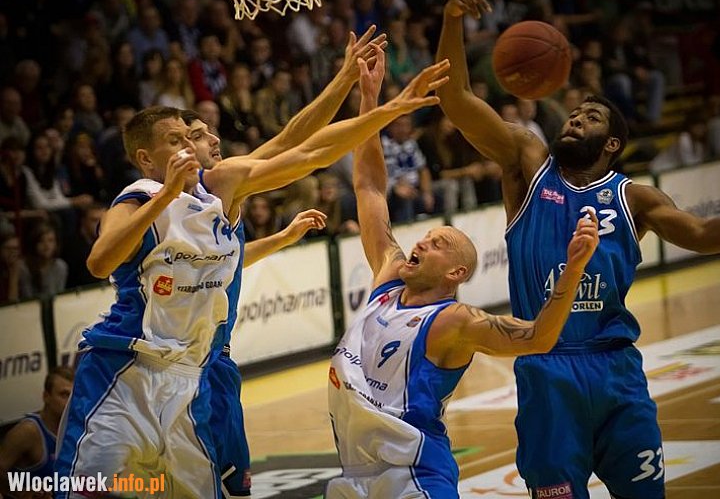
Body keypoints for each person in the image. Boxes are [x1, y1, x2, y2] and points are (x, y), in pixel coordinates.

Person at [55, 47, 450, 498]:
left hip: (194, 375)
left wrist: (382, 106)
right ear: (147, 159)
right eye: (179, 139)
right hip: (127, 367)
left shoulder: (221, 185)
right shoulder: (139, 197)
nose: (193, 145)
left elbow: (306, 150)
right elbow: (99, 262)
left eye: (190, 137)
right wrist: (165, 196)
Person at [435, 0, 720, 498]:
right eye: (573, 114)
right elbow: (455, 99)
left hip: (616, 369)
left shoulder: (635, 198)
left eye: (590, 118)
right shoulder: (527, 164)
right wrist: (452, 20)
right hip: (546, 368)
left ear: (611, 143)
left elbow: (700, 231)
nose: (575, 120)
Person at [325, 43, 600, 499]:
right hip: (353, 474)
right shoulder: (389, 278)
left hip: (412, 474)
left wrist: (574, 268)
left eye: (438, 244)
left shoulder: (455, 321)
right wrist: (369, 100)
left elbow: (538, 338)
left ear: (456, 273)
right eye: (426, 237)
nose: (420, 243)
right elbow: (370, 187)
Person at [182, 108, 327, 498]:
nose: (214, 139)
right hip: (192, 361)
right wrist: (369, 105)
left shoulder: (209, 191)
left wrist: (282, 238)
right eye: (199, 135)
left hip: (208, 358)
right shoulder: (213, 184)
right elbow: (298, 146)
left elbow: (229, 258)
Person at [0, 366, 74, 498]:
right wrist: (22, 492)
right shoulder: (28, 431)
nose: (69, 402)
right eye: (64, 395)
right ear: (46, 396)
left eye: (73, 396)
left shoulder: (75, 429)